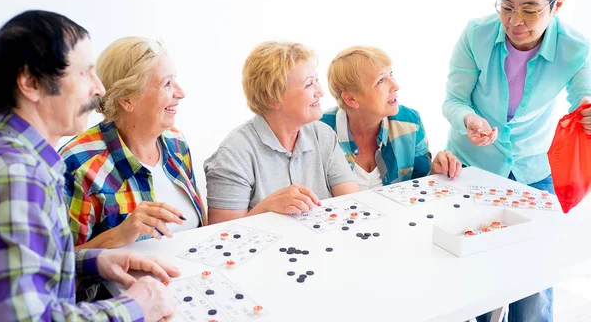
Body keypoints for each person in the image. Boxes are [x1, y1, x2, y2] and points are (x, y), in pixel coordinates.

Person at [0, 10, 178, 321]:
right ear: (30, 82)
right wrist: (137, 305)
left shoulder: (20, 158)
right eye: (84, 73)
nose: (100, 89)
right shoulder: (17, 175)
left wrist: (94, 262)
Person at [443, 0, 591, 322]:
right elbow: (454, 99)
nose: (514, 21)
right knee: (472, 273)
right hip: (471, 165)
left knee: (535, 279)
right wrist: (469, 120)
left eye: (529, 10)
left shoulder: (575, 48)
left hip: (533, 169)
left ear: (557, 4)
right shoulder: (476, 34)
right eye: (506, 6)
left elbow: (583, 102)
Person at [60, 37, 206, 250]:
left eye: (175, 80)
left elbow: (201, 228)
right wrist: (118, 235)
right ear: (127, 100)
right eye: (167, 84)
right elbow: (59, 268)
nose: (181, 93)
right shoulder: (78, 166)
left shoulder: (176, 142)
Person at [204, 41, 359, 224]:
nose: (320, 92)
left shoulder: (323, 135)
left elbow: (353, 205)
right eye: (309, 84)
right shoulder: (233, 155)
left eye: (316, 80)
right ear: (272, 98)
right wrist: (266, 207)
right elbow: (221, 236)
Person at [322, 45, 462, 189]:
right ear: (351, 99)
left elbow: (420, 185)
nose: (395, 86)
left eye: (391, 74)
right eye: (381, 80)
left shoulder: (410, 122)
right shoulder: (319, 131)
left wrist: (436, 171)